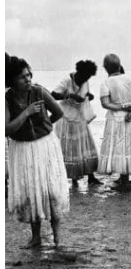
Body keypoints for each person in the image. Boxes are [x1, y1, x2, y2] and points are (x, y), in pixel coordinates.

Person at [5, 56, 69, 248]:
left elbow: (58, 112)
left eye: (29, 75)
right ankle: (36, 237)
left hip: (45, 145)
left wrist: (45, 125)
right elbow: (7, 129)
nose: (28, 79)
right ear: (11, 80)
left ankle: (57, 238)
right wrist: (27, 112)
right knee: (31, 190)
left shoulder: (39, 91)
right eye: (22, 77)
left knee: (51, 189)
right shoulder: (7, 99)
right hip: (23, 148)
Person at [98, 54, 131, 190]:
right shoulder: (130, 79)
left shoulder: (106, 83)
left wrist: (122, 107)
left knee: (121, 148)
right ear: (119, 65)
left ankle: (125, 182)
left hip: (118, 118)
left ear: (106, 68)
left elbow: (105, 103)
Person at [51, 60, 102, 187]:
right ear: (78, 72)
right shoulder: (67, 81)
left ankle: (91, 177)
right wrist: (71, 96)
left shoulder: (85, 81)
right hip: (66, 118)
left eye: (88, 77)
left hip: (80, 117)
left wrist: (89, 96)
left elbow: (86, 94)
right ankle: (73, 179)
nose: (85, 79)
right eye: (84, 76)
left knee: (84, 148)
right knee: (70, 149)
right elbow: (53, 95)